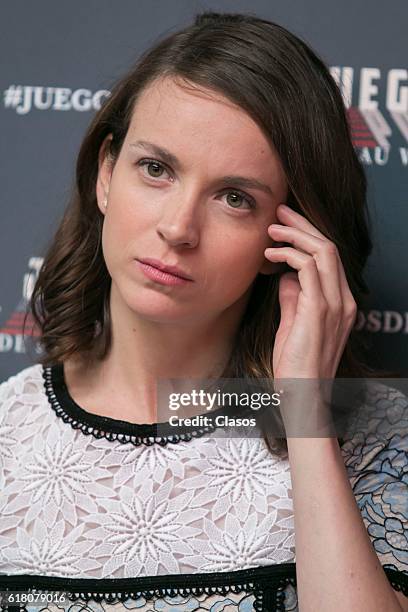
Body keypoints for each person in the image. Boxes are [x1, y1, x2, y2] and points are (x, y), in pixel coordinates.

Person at [0, 10, 407, 612]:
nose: (178, 227)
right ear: (107, 174)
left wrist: (302, 408)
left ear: (288, 237)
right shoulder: (9, 432)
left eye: (234, 198)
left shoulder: (373, 432)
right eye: (156, 169)